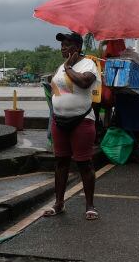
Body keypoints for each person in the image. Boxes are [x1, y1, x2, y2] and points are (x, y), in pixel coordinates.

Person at [43, 31, 101, 220]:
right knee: (61, 163)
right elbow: (56, 89)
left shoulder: (89, 64)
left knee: (84, 163)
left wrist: (68, 67)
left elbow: (84, 83)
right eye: (61, 45)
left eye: (67, 45)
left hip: (81, 120)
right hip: (60, 121)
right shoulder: (61, 66)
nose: (62, 48)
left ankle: (90, 205)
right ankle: (59, 203)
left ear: (77, 48)